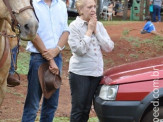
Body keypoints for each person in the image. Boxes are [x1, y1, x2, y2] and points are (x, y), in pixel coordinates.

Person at [21, 0, 69, 122]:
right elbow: (31, 32)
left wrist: (56, 50)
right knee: (32, 105)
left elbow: (65, 31)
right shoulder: (32, 5)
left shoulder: (61, 5)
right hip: (38, 58)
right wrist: (50, 57)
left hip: (57, 57)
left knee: (51, 104)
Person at [68, 0, 114, 121]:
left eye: (94, 6)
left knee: (87, 109)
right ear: (81, 10)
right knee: (78, 109)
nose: (93, 9)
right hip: (80, 73)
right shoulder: (74, 26)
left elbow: (109, 47)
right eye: (89, 7)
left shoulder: (99, 25)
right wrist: (89, 31)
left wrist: (96, 31)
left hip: (96, 73)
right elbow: (79, 50)